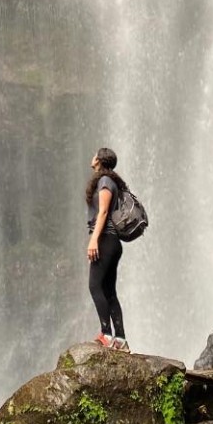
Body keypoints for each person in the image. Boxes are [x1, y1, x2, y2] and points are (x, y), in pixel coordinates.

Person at [85, 147, 130, 351]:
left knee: (95, 286)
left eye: (95, 154)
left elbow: (103, 212)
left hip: (105, 239)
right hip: (112, 242)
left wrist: (94, 240)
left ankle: (106, 333)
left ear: (100, 160)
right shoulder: (109, 181)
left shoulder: (104, 182)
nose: (92, 157)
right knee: (109, 291)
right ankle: (120, 339)